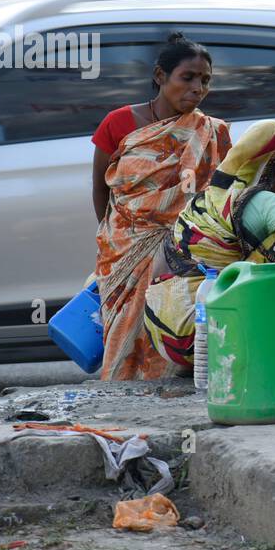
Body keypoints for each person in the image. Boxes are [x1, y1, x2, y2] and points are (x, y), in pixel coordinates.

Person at [144, 120, 275, 368]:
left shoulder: (208, 198)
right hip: (206, 334)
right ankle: (272, 355)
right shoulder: (266, 201)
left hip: (162, 329)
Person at [93, 33, 231, 380]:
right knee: (124, 339)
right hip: (123, 250)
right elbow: (101, 188)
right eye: (188, 77)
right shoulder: (120, 123)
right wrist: (117, 241)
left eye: (205, 80)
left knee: (170, 333)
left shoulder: (212, 133)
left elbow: (221, 197)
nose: (198, 88)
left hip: (182, 254)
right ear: (160, 76)